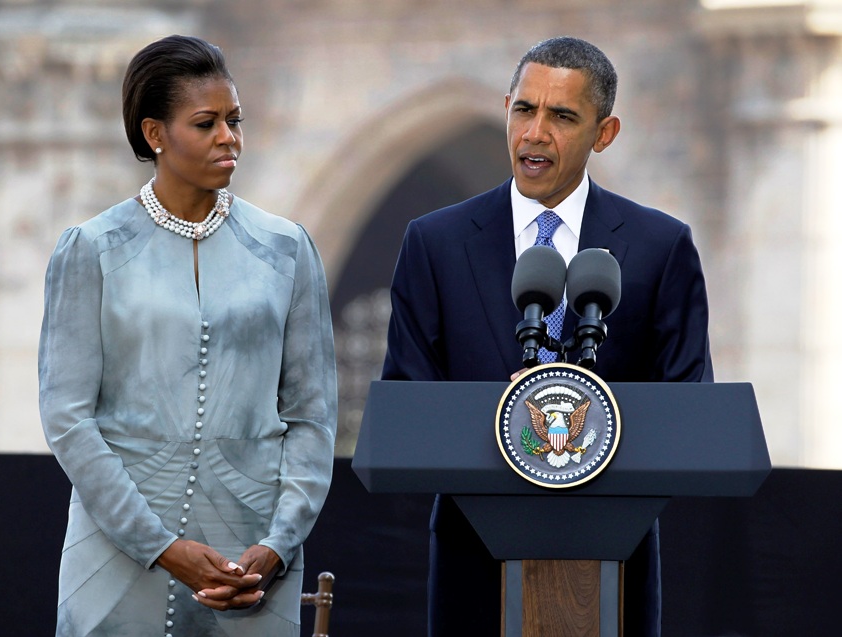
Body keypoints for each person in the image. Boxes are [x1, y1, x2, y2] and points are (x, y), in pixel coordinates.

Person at [382, 36, 712, 637]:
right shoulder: (434, 244)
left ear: (604, 133)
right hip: (473, 560)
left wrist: (590, 412)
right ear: (506, 107)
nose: (535, 132)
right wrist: (506, 412)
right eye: (524, 110)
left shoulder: (661, 247)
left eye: (562, 116)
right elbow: (407, 402)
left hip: (612, 559)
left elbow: (688, 403)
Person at [38, 34, 337, 637]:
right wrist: (161, 546)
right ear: (155, 134)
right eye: (206, 123)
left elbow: (312, 416)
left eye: (235, 120)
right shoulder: (91, 250)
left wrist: (278, 544)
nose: (230, 137)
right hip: (117, 556)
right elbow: (68, 418)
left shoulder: (286, 249)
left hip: (251, 565)